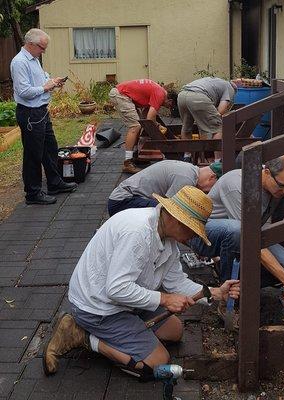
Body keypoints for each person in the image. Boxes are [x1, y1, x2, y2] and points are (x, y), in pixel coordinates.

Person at [43, 186, 240, 377]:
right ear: (176, 219)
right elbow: (116, 289)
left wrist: (215, 293)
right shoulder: (137, 233)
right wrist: (164, 299)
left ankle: (125, 331)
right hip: (98, 308)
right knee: (158, 361)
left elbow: (177, 283)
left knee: (175, 331)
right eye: (193, 230)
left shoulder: (167, 238)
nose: (194, 236)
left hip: (125, 302)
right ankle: (82, 336)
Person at [188, 154, 284, 301]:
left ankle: (240, 286)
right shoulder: (237, 185)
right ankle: (226, 296)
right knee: (237, 230)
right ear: (266, 172)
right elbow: (250, 239)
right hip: (205, 237)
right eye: (282, 186)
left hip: (246, 236)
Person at [10, 28, 77, 205]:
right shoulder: (19, 62)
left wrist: (52, 82)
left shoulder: (34, 59)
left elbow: (40, 81)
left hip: (41, 111)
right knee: (33, 154)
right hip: (30, 113)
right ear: (30, 44)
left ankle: (54, 183)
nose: (43, 51)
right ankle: (32, 193)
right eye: (41, 47)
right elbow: (24, 91)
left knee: (50, 148)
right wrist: (45, 87)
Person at [107, 159, 222, 216]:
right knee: (164, 214)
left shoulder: (189, 169)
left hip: (128, 197)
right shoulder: (187, 179)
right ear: (212, 177)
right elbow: (170, 209)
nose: (208, 192)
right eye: (213, 188)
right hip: (122, 202)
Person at [109, 79, 177, 174]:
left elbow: (146, 114)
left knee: (139, 125)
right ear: (170, 100)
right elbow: (150, 118)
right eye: (171, 105)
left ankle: (135, 156)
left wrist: (155, 126)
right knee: (135, 126)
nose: (169, 108)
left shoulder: (158, 91)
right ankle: (127, 163)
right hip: (121, 94)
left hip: (122, 93)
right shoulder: (160, 95)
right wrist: (158, 127)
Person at [177, 77, 237, 163]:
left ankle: (187, 156)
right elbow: (221, 111)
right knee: (218, 127)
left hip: (182, 95)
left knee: (186, 127)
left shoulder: (217, 82)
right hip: (198, 97)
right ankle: (218, 162)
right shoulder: (230, 88)